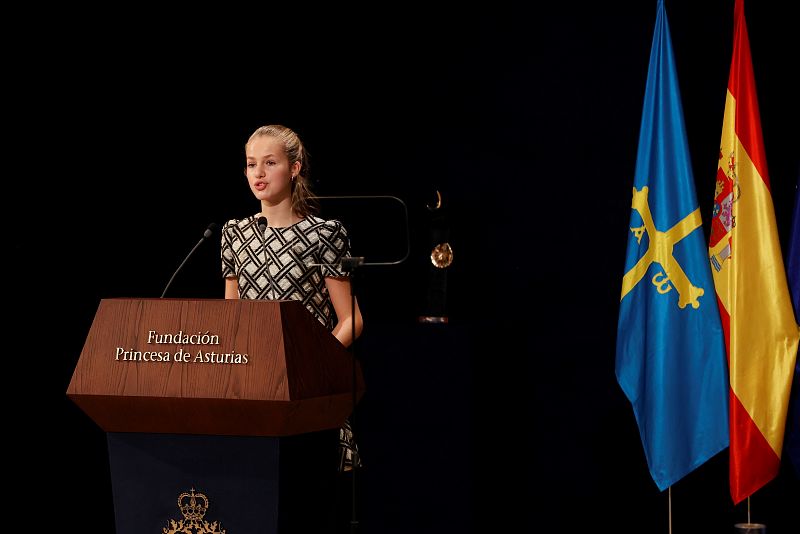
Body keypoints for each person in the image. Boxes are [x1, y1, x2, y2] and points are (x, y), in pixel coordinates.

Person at [221, 124, 364, 532]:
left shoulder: (323, 234)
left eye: (270, 162)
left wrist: (309, 367)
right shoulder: (234, 234)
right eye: (251, 164)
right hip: (252, 390)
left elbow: (352, 319)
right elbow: (230, 318)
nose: (258, 173)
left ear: (295, 168)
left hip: (306, 394)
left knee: (302, 511)